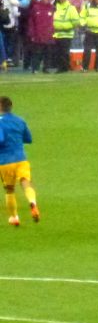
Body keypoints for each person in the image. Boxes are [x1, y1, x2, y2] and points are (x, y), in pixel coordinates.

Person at [0, 96, 39, 226]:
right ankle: (32, 202)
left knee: (9, 190)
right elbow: (28, 139)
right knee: (26, 183)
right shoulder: (20, 121)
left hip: (5, 161)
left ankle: (14, 217)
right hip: (21, 159)